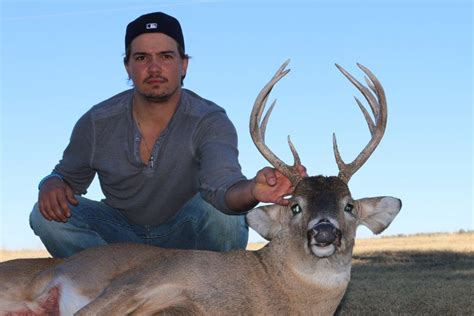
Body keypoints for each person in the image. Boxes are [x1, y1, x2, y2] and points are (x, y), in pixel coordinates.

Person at [30, 12, 305, 258]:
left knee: (226, 217)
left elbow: (223, 188)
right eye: (141, 58)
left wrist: (253, 190)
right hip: (119, 241)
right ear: (128, 66)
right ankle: (113, 289)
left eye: (166, 56)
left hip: (185, 240)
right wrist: (51, 182)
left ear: (183, 65)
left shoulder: (209, 120)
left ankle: (204, 296)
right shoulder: (96, 122)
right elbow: (64, 179)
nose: (154, 68)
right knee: (47, 218)